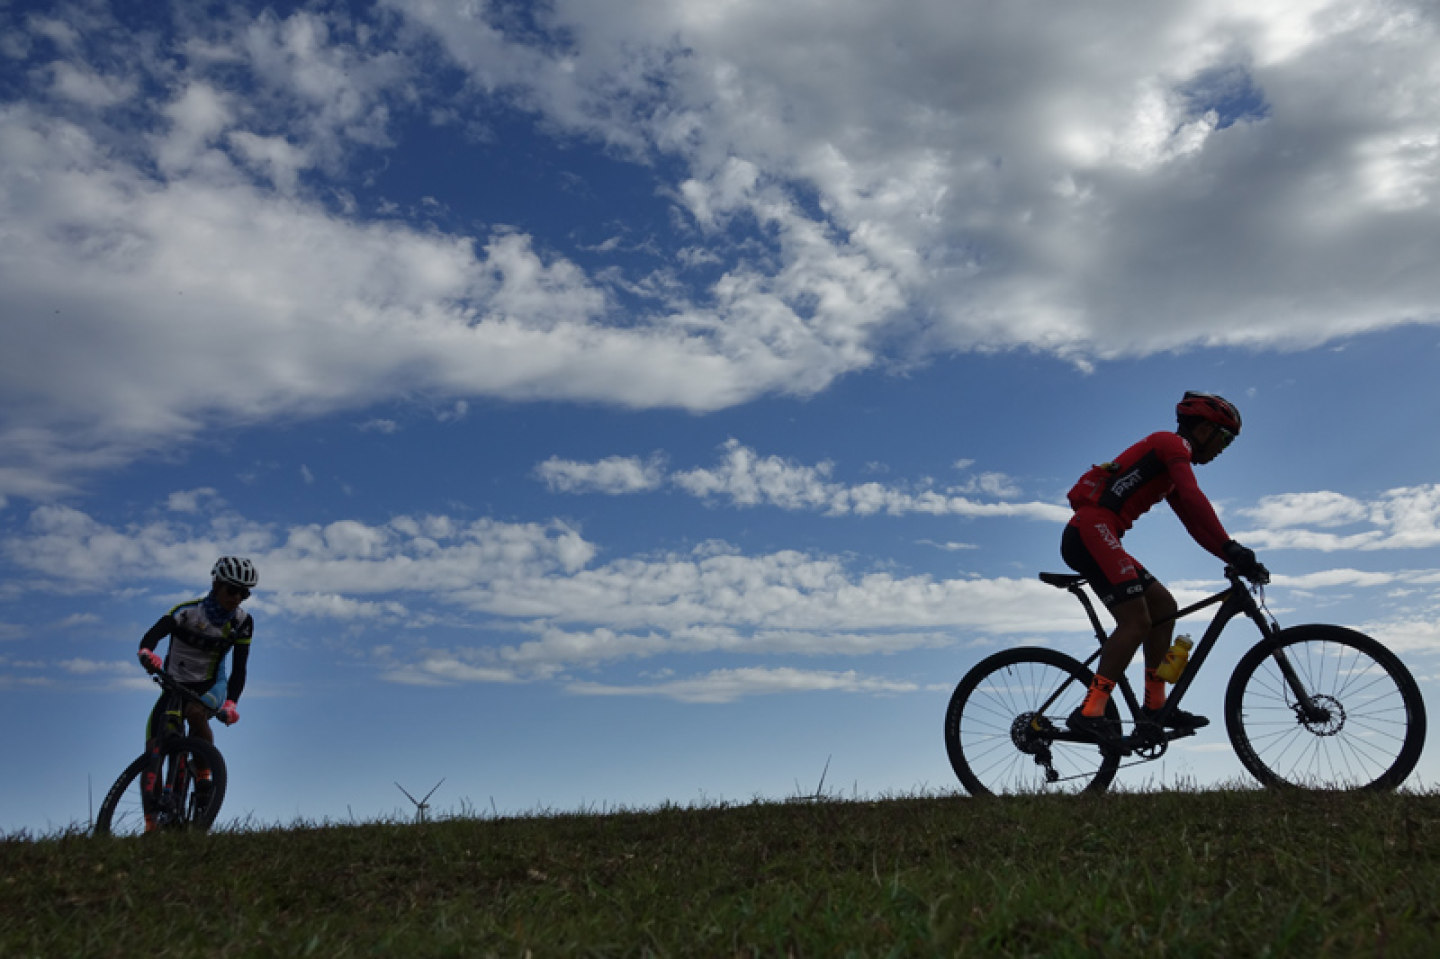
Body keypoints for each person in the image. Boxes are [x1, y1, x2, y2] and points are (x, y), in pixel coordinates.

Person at [1061, 391, 1268, 742]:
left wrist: (1229, 554)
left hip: (1101, 533)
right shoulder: (1170, 445)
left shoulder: (1170, 468)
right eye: (1224, 438)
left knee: (1164, 608)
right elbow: (1193, 497)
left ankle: (1154, 708)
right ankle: (1090, 711)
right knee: (1136, 621)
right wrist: (1232, 547)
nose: (1223, 448)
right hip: (1090, 529)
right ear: (1203, 430)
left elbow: (1193, 522)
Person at [137, 556, 257, 827]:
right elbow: (153, 634)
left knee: (194, 713)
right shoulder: (188, 612)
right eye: (232, 590)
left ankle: (203, 775)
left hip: (210, 685)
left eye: (244, 593)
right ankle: (151, 824)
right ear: (216, 584)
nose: (237, 597)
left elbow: (240, 669)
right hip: (174, 684)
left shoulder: (242, 622)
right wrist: (147, 653)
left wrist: (231, 703)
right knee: (153, 749)